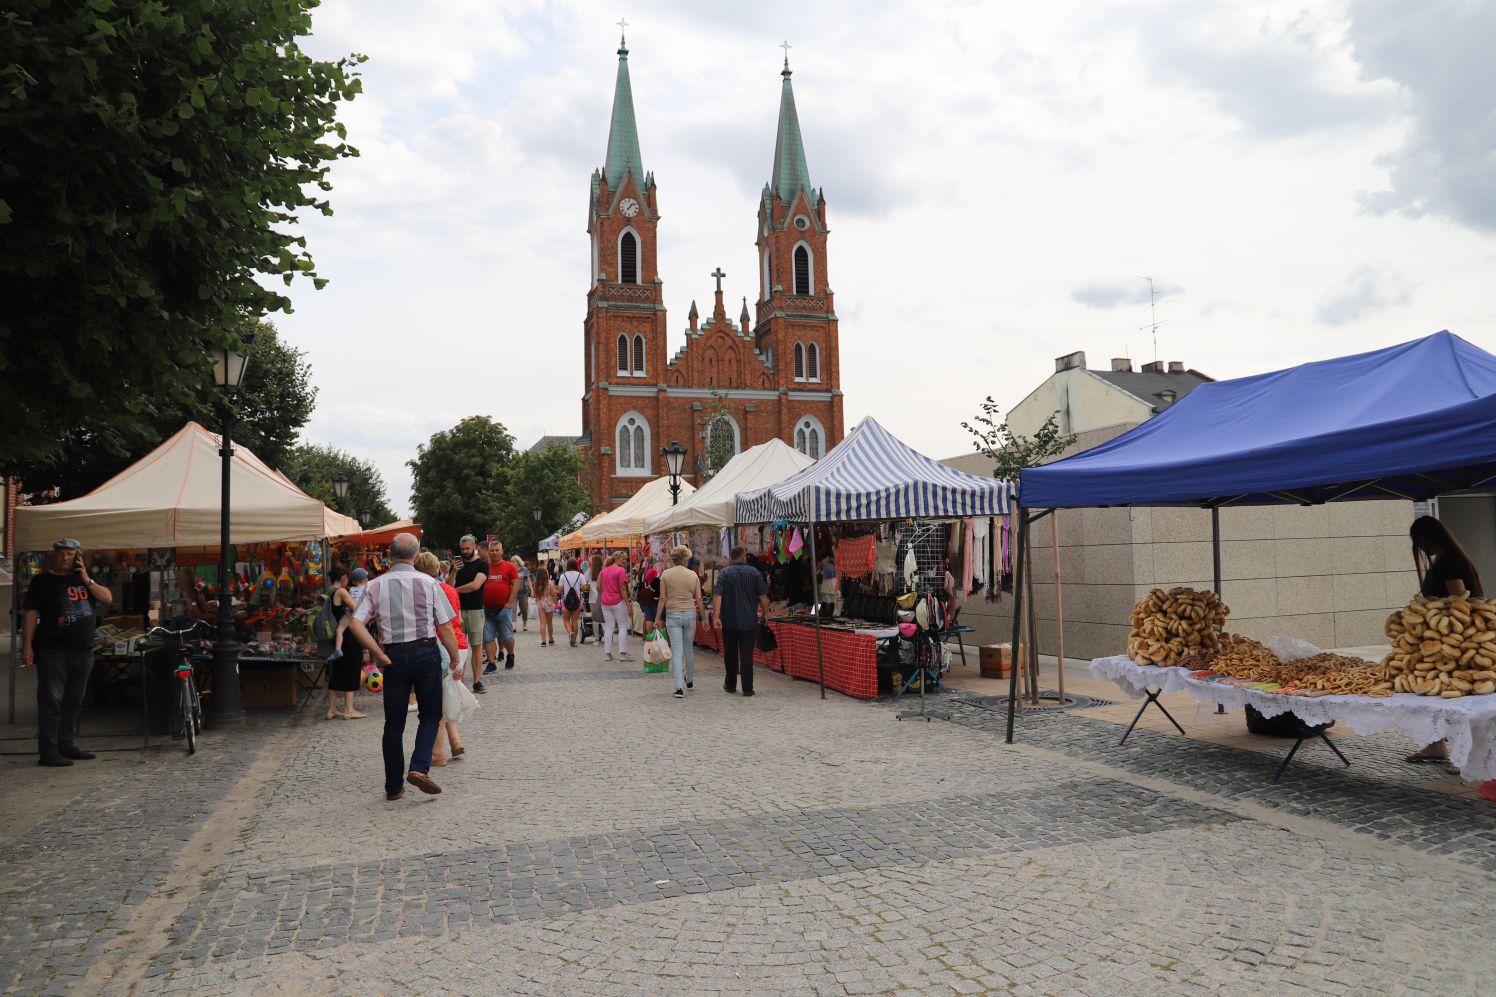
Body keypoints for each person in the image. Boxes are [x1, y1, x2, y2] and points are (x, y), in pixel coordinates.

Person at [344, 532, 461, 801]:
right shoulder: (430, 583)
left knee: (393, 723)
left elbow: (355, 624)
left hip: (393, 656)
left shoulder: (375, 585)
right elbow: (444, 626)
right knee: (430, 714)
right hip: (425, 652)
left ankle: (394, 787)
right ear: (417, 556)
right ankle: (419, 767)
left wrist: (377, 653)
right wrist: (454, 658)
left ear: (389, 556)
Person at [20, 538, 112, 766]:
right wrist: (27, 646)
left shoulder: (84, 579)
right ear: (53, 554)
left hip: (83, 650)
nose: (65, 558)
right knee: (51, 701)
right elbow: (30, 614)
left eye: (70, 554)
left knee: (73, 700)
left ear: (77, 556)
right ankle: (48, 751)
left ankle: (67, 745)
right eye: (61, 553)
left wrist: (86, 579)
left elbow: (106, 598)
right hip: (53, 650)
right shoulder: (41, 581)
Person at [1405, 516, 1486, 767]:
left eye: (1421, 543)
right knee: (1437, 693)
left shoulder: (1450, 562)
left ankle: (1464, 754)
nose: (1422, 549)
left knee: (1456, 697)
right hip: (1452, 638)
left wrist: (1429, 608)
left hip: (1454, 640)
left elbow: (1459, 598)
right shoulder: (1453, 558)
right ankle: (1437, 745)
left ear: (1429, 538)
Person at [415, 552, 466, 767]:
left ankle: (437, 754)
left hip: (439, 646)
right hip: (459, 643)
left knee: (435, 702)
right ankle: (455, 740)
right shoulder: (450, 590)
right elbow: (459, 619)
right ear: (438, 569)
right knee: (448, 698)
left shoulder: (422, 590)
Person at [711, 546, 769, 697]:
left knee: (730, 654)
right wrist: (765, 613)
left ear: (731, 557)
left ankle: (730, 685)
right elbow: (763, 596)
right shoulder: (754, 572)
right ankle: (747, 688)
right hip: (749, 621)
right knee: (747, 655)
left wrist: (716, 617)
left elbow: (717, 596)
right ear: (744, 556)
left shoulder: (724, 573)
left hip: (729, 621)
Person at [656, 545, 705, 699]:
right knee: (688, 648)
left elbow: (662, 598)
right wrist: (703, 617)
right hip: (690, 614)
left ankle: (679, 687)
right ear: (686, 559)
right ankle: (689, 679)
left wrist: (658, 618)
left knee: (677, 651)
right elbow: (698, 598)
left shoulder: (665, 574)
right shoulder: (693, 575)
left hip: (673, 614)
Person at [320, 566, 365, 720]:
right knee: (352, 670)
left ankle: (331, 710)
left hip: (335, 636)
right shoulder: (341, 592)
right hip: (349, 636)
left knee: (336, 672)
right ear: (344, 577)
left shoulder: (327, 591)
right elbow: (358, 609)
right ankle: (349, 710)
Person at [447, 535, 489, 692]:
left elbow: (475, 585)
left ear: (475, 547)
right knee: (458, 647)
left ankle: (477, 681)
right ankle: (459, 681)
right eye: (462, 549)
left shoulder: (482, 565)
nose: (465, 552)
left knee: (476, 646)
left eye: (467, 549)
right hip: (457, 610)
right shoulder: (457, 564)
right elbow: (447, 584)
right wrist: (454, 572)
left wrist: (455, 590)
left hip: (475, 610)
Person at [482, 542, 520, 673]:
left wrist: (509, 603)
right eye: (492, 550)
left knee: (507, 637)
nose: (494, 552)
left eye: (497, 550)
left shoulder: (510, 567)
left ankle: (510, 654)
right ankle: (491, 663)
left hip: (504, 608)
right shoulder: (484, 567)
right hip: (486, 608)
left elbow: (515, 584)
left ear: (502, 551)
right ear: (488, 552)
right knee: (488, 637)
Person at [597, 552, 633, 661]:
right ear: (617, 558)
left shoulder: (604, 570)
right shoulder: (620, 570)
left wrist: (604, 593)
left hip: (605, 601)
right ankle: (622, 653)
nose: (625, 561)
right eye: (623, 559)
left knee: (609, 627)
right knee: (622, 626)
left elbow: (598, 586)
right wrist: (628, 604)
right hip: (617, 601)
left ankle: (607, 653)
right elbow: (622, 589)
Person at [557, 558, 589, 646]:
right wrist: (579, 588)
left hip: (566, 600)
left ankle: (570, 633)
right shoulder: (580, 575)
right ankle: (574, 641)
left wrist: (565, 589)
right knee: (575, 620)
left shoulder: (563, 575)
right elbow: (585, 587)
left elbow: (559, 589)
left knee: (566, 619)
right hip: (577, 600)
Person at [534, 566, 556, 646]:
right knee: (549, 623)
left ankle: (543, 640)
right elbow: (553, 594)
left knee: (542, 623)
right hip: (549, 604)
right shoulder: (549, 583)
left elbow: (535, 594)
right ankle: (550, 638)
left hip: (540, 604)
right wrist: (555, 602)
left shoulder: (536, 583)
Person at [587, 553, 606, 645]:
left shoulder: (590, 571)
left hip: (592, 598)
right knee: (604, 617)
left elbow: (585, 582)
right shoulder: (604, 571)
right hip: (602, 596)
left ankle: (596, 639)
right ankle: (607, 637)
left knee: (594, 619)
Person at [636, 564, 660, 636]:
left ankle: (650, 637)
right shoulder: (655, 570)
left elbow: (638, 583)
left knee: (649, 618)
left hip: (643, 596)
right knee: (657, 618)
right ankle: (657, 637)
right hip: (654, 597)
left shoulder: (642, 571)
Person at [515, 557, 533, 632]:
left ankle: (524, 624)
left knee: (524, 609)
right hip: (513, 592)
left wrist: (532, 590)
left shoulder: (524, 569)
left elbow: (528, 580)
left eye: (514, 561)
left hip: (523, 591)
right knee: (512, 609)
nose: (512, 562)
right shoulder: (511, 568)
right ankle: (513, 625)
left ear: (518, 561)